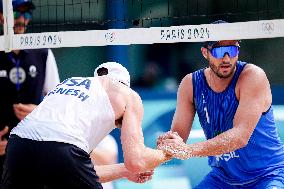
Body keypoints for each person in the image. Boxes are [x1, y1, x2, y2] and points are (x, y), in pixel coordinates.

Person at [1, 62, 170, 189]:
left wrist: (125, 171)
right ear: (125, 84)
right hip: (60, 147)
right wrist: (168, 152)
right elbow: (137, 161)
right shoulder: (127, 94)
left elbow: (77, 169)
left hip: (18, 145)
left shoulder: (70, 84)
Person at [157, 20, 284, 188]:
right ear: (205, 52)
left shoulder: (252, 76)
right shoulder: (190, 84)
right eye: (219, 50)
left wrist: (189, 150)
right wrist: (155, 158)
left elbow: (239, 137)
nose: (226, 58)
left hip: (267, 175)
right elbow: (177, 139)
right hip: (222, 179)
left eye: (232, 50)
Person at [0, 0, 60, 176]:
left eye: (26, 14)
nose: (22, 20)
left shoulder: (43, 52)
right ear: (2, 16)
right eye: (16, 13)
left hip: (33, 144)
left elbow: (58, 102)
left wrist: (39, 111)